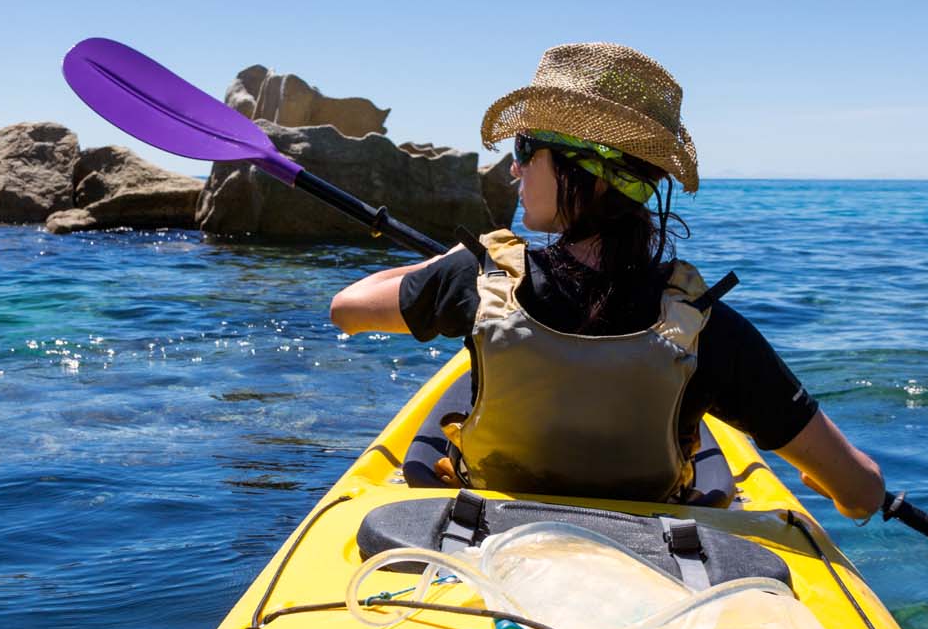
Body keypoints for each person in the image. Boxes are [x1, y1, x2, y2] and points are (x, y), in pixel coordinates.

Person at [329, 42, 885, 519]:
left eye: (525, 149)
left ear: (579, 172)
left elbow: (347, 309)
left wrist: (448, 262)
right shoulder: (708, 330)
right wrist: (854, 491)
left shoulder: (475, 283)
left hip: (488, 531)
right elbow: (858, 490)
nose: (515, 168)